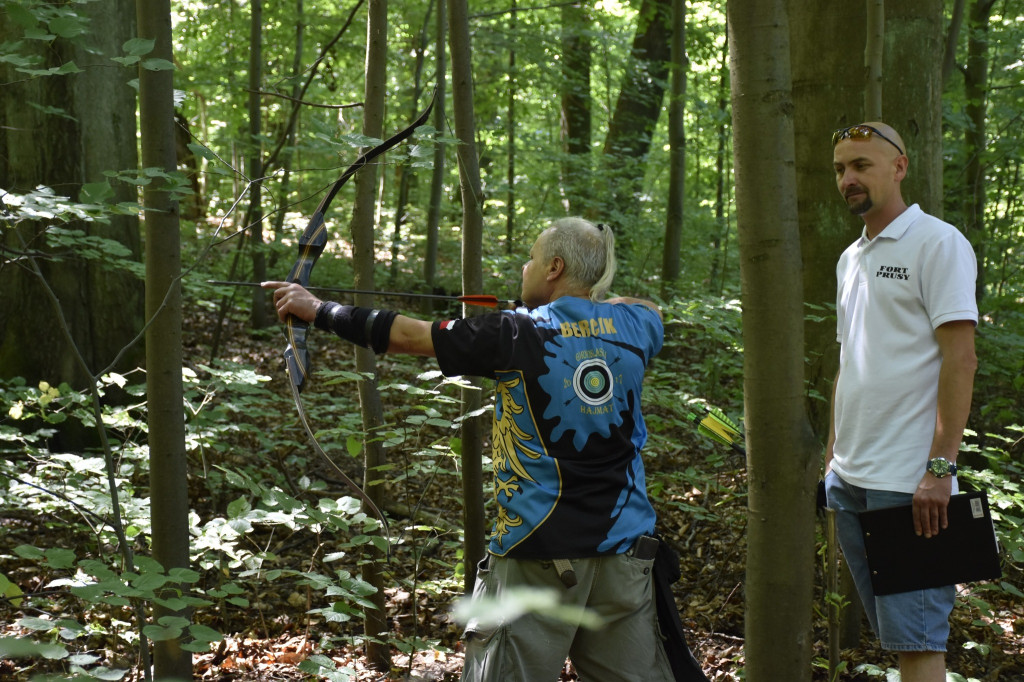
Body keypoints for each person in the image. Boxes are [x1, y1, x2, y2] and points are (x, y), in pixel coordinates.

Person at [265, 217, 678, 681]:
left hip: (539, 556)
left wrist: (318, 309)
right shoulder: (636, 326)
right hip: (626, 555)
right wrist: (589, 308)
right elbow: (646, 307)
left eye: (532, 259)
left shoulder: (515, 333)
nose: (525, 267)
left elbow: (408, 335)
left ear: (555, 268)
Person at [824, 123, 979, 682]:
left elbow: (961, 359)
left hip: (911, 484)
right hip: (850, 478)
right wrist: (832, 455)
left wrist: (940, 469)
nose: (848, 178)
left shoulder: (938, 243)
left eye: (861, 165)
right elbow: (850, 361)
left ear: (899, 167)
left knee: (918, 643)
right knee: (897, 640)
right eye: (841, 168)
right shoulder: (850, 259)